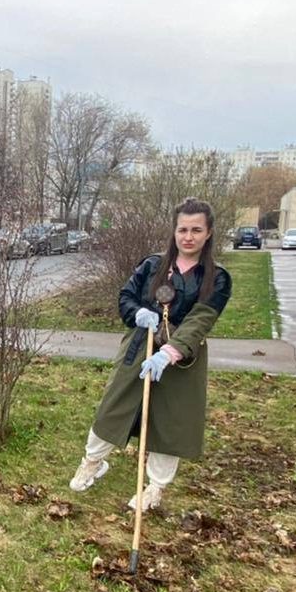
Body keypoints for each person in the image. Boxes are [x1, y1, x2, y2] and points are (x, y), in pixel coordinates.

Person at [69, 198, 232, 511]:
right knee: (113, 407)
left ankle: (155, 487)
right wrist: (139, 312)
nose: (188, 236)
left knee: (169, 422)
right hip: (138, 346)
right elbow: (126, 297)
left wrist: (169, 352)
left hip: (182, 358)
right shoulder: (152, 265)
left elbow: (201, 319)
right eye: (182, 229)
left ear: (208, 233)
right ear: (174, 231)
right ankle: (93, 462)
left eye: (196, 229)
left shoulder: (217, 277)